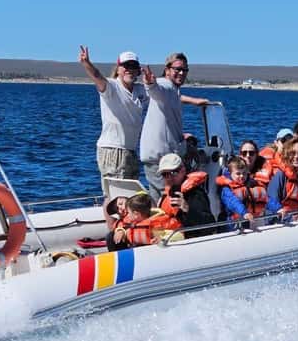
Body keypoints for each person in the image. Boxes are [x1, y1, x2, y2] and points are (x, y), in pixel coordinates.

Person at [78, 46, 149, 193]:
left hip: (131, 151)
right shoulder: (112, 87)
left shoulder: (140, 91)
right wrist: (87, 63)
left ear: (138, 70)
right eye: (126, 66)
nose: (129, 69)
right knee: (115, 198)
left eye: (133, 66)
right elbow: (97, 76)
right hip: (113, 150)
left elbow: (161, 94)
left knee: (132, 197)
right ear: (118, 69)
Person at [140, 53, 209, 198]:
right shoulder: (165, 85)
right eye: (177, 69)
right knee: (168, 199)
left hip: (158, 156)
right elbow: (157, 91)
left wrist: (194, 101)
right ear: (167, 70)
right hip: (161, 160)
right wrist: (150, 84)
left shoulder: (174, 91)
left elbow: (175, 97)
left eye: (185, 70)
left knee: (158, 199)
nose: (181, 73)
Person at [156, 153, 216, 237]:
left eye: (173, 172)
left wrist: (187, 208)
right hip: (167, 238)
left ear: (183, 171)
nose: (169, 177)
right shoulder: (165, 195)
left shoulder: (195, 194)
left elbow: (210, 224)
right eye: (165, 174)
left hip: (189, 241)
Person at [266, 137, 298, 220]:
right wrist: (292, 217)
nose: (296, 156)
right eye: (293, 153)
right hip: (284, 222)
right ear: (287, 154)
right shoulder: (280, 176)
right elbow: (270, 206)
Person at [112, 193, 183, 247]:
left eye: (129, 213)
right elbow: (123, 224)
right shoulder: (134, 219)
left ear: (136, 214)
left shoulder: (159, 223)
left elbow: (179, 234)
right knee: (110, 236)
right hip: (137, 247)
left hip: (150, 250)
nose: (127, 215)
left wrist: (163, 239)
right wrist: (121, 231)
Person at [216, 156, 268, 223]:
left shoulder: (252, 184)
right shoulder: (226, 189)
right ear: (230, 174)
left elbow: (266, 198)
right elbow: (233, 202)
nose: (242, 176)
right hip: (231, 223)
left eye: (244, 173)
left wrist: (278, 208)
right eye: (238, 174)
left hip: (249, 220)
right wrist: (244, 213)